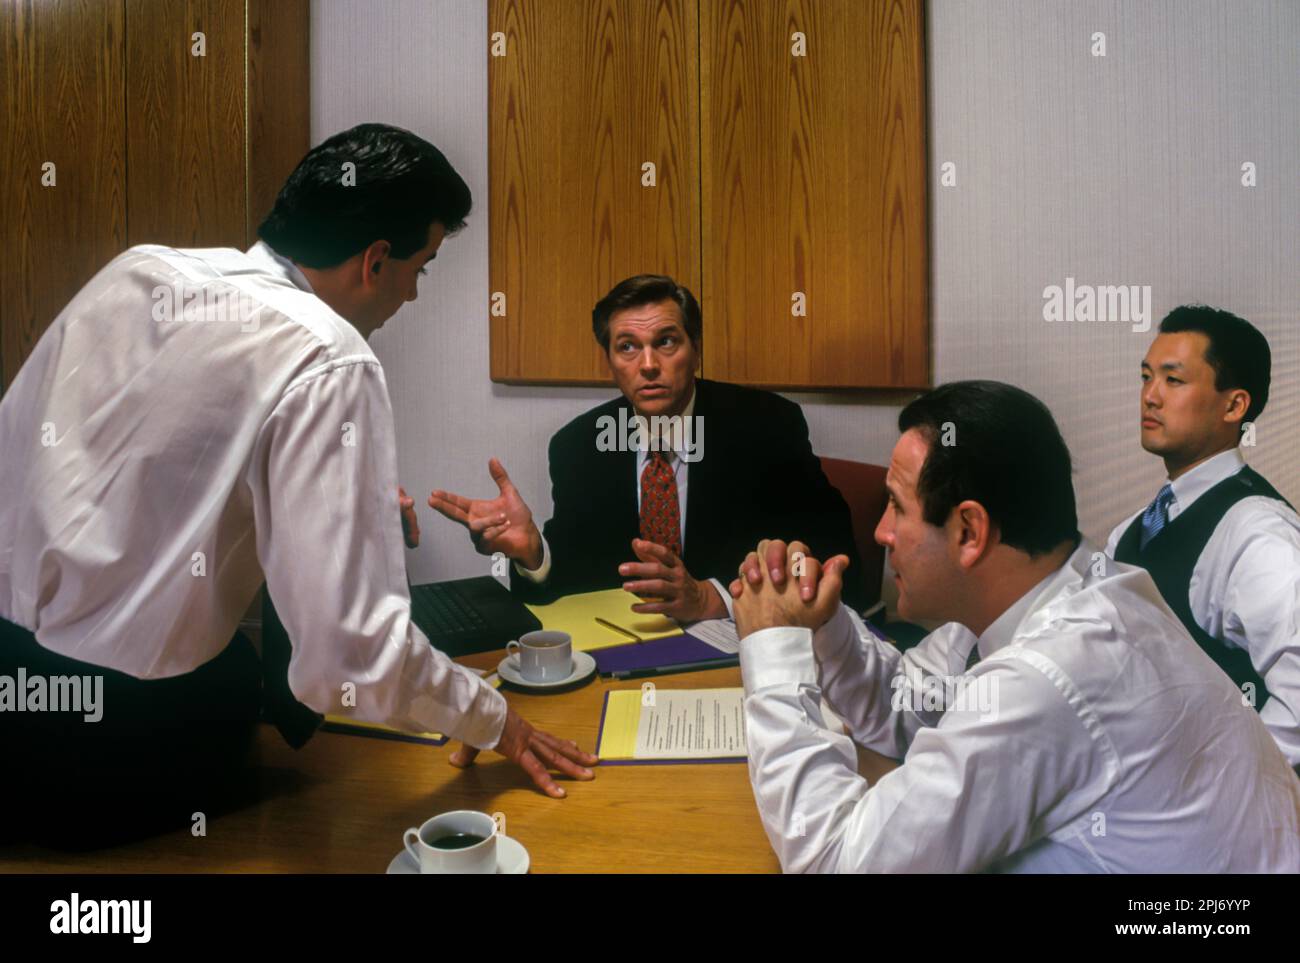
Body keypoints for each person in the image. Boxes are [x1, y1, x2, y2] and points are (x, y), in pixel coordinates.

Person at [0, 123, 595, 839]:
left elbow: (110, 463)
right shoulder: (330, 357)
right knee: (248, 687)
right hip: (98, 745)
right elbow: (348, 657)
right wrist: (497, 719)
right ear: (376, 260)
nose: (412, 293)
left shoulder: (140, 270)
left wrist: (297, 508)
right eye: (423, 267)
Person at [728, 380, 1300, 872]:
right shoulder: (1069, 590)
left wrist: (774, 653)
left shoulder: (1051, 672)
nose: (880, 532)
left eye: (896, 507)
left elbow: (836, 859)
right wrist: (822, 626)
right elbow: (909, 710)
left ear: (969, 532)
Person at [428, 274, 863, 621]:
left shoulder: (768, 425)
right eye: (628, 347)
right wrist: (534, 554)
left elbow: (833, 552)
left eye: (666, 342)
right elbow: (574, 581)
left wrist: (712, 598)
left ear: (695, 349)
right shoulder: (578, 447)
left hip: (739, 652)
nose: (649, 365)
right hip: (624, 655)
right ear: (611, 362)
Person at [1104, 305, 1299, 766]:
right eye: (1146, 376)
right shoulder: (1129, 532)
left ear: (1234, 405)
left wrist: (1213, 788)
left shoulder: (1259, 535)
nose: (1150, 396)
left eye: (1173, 380)